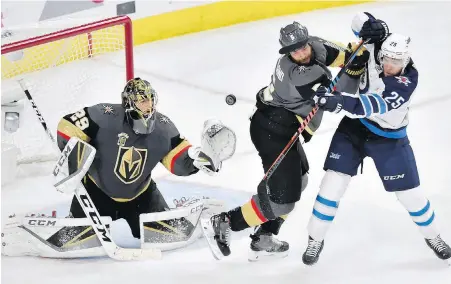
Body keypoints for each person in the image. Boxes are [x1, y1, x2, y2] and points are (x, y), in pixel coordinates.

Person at [1, 78, 235, 258]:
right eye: (143, 100)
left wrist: (200, 161)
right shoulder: (104, 116)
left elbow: (178, 161)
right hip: (95, 196)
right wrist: (74, 154)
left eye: (150, 99)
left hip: (142, 196)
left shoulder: (164, 128)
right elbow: (66, 126)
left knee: (168, 234)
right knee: (72, 239)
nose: (148, 105)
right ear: (129, 102)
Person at [201, 21, 369, 261]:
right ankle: (226, 222)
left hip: (281, 125)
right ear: (286, 52)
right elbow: (338, 96)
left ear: (308, 41)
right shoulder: (300, 74)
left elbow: (343, 55)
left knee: (300, 180)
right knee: (283, 203)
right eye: (294, 50)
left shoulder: (316, 46)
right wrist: (355, 67)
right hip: (272, 131)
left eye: (303, 46)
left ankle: (264, 236)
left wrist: (354, 54)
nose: (300, 52)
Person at [302, 12, 451, 265]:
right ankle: (315, 239)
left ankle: (433, 236)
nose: (391, 65)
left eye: (398, 60)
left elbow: (372, 105)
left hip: (389, 139)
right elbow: (360, 20)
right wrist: (376, 26)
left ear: (407, 59)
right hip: (355, 130)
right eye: (387, 59)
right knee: (332, 184)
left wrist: (337, 102)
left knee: (411, 196)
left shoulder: (406, 81)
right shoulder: (377, 49)